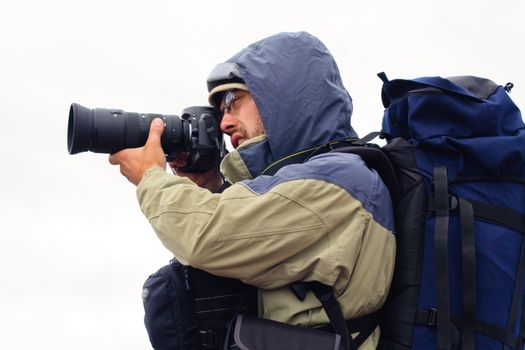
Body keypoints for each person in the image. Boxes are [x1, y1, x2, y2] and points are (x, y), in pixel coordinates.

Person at [109, 31, 395, 349]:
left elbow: (206, 236)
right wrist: (211, 187)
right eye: (220, 111)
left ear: (283, 97)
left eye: (233, 101)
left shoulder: (337, 181)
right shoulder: (310, 182)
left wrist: (151, 176)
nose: (224, 123)